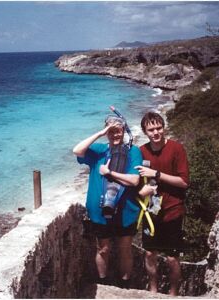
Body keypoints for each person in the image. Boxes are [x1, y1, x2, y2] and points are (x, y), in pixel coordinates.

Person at [73, 115, 142, 288]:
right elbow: (77, 150)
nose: (115, 135)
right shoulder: (99, 150)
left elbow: (134, 180)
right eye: (111, 131)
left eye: (118, 131)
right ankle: (103, 283)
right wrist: (100, 133)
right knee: (102, 249)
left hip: (126, 212)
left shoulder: (133, 151)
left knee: (125, 249)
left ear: (124, 131)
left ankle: (125, 285)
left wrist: (109, 173)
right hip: (99, 212)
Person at [135, 111, 189, 296]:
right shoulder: (141, 151)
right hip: (150, 211)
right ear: (145, 131)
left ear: (164, 128)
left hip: (173, 210)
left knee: (172, 258)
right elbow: (135, 182)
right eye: (151, 129)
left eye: (159, 127)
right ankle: (153, 291)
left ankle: (173, 294)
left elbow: (183, 182)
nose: (156, 132)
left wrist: (156, 174)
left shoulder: (176, 149)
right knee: (150, 254)